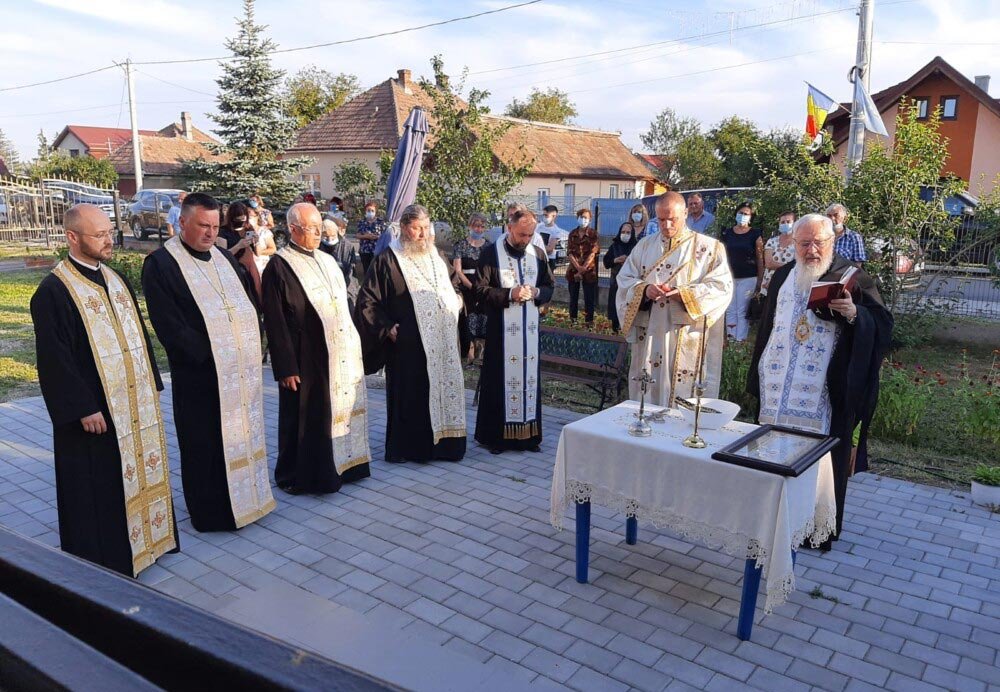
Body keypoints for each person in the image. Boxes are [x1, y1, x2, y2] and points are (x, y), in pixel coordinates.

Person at [31, 204, 178, 577]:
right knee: (97, 485)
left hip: (132, 402)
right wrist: (83, 407)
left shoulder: (115, 278)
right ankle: (105, 560)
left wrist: (151, 382)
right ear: (72, 237)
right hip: (93, 411)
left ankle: (148, 541)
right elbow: (54, 360)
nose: (109, 240)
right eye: (99, 235)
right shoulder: (53, 291)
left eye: (109, 231)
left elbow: (138, 335)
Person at [748, 214, 892, 549]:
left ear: (832, 241)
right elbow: (767, 326)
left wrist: (854, 314)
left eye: (818, 242)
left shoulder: (852, 277)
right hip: (777, 391)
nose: (811, 250)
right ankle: (772, 519)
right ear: (794, 244)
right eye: (804, 243)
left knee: (820, 461)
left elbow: (883, 324)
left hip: (825, 395)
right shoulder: (783, 274)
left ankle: (815, 529)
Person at [141, 193, 275, 532]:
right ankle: (212, 513)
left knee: (240, 436)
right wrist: (212, 355)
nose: (210, 233)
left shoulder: (224, 258)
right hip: (199, 375)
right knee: (204, 443)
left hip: (238, 374)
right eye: (203, 225)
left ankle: (249, 499)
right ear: (182, 222)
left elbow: (247, 304)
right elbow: (169, 324)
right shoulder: (161, 264)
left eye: (215, 226)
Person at [261, 204, 370, 495]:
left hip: (337, 353)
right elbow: (274, 320)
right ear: (293, 229)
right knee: (304, 416)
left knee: (335, 411)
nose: (318, 234)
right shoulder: (279, 266)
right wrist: (285, 367)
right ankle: (301, 475)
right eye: (312, 229)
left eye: (320, 228)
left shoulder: (327, 260)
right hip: (303, 357)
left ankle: (345, 465)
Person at [354, 204, 466, 462]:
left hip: (443, 343)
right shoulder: (388, 259)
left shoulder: (437, 255)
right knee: (412, 396)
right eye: (417, 228)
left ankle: (446, 446)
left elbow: (454, 283)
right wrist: (386, 328)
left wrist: (457, 299)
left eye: (426, 228)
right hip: (408, 344)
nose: (423, 234)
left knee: (442, 390)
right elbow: (367, 301)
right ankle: (412, 449)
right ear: (404, 228)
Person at [615, 191, 733, 406]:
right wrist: (644, 289)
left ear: (685, 213)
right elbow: (625, 279)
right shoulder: (644, 245)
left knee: (684, 390)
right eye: (661, 219)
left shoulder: (709, 248)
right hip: (650, 329)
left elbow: (721, 287)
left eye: (672, 219)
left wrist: (684, 294)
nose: (667, 225)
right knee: (648, 384)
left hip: (686, 331)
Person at [474, 208, 554, 454]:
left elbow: (549, 286)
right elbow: (480, 290)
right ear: (509, 228)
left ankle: (529, 437)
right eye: (521, 234)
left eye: (530, 235)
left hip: (529, 335)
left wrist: (537, 292)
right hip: (501, 333)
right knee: (499, 382)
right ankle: (496, 439)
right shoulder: (490, 254)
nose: (525, 240)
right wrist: (510, 294)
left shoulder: (537, 254)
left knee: (529, 382)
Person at [720, 202, 764, 342]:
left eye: (746, 214)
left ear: (751, 217)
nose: (743, 216)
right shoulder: (727, 233)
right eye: (741, 213)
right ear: (736, 214)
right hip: (729, 277)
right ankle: (731, 339)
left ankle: (741, 341)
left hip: (749, 277)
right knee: (730, 309)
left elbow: (760, 258)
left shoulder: (755, 234)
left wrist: (760, 280)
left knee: (742, 310)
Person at [453, 212, 489, 365]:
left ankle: (482, 355)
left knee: (484, 319)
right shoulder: (460, 245)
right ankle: (469, 354)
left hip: (483, 288)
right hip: (467, 288)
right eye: (476, 226)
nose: (479, 229)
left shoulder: (488, 246)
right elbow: (458, 270)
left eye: (482, 226)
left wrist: (481, 288)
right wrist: (470, 286)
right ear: (470, 226)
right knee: (468, 320)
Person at [603, 214, 641, 332]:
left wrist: (628, 261)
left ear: (632, 233)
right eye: (623, 232)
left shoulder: (637, 246)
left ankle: (628, 329)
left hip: (631, 283)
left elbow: (641, 263)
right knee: (615, 306)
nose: (625, 234)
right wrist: (616, 260)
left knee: (629, 306)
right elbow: (606, 262)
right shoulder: (614, 246)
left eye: (628, 232)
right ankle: (615, 329)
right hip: (616, 281)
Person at [565, 207, 600, 324]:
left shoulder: (593, 234)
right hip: (573, 270)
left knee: (589, 298)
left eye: (586, 218)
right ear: (577, 218)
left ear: (590, 220)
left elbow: (593, 252)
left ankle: (589, 322)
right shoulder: (572, 234)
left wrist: (583, 268)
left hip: (589, 270)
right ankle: (573, 320)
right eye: (581, 217)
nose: (583, 219)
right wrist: (578, 268)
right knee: (573, 297)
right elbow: (569, 252)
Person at [761, 211, 797, 296]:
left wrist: (777, 265)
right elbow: (769, 263)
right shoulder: (772, 241)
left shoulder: (799, 243)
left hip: (789, 285)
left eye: (788, 222)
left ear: (795, 223)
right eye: (782, 222)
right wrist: (789, 266)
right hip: (769, 285)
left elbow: (798, 266)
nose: (785, 224)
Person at [356, 201, 388, 275]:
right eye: (368, 210)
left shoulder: (380, 222)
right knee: (367, 271)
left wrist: (376, 237)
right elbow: (357, 235)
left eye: (372, 210)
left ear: (375, 211)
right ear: (365, 211)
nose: (370, 212)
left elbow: (385, 235)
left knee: (376, 272)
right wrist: (365, 236)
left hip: (377, 250)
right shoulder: (361, 222)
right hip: (364, 251)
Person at [536, 204, 567, 271]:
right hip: (537, 258)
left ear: (554, 216)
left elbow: (550, 249)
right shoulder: (539, 226)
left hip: (548, 260)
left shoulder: (556, 231)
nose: (544, 217)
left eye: (546, 215)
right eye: (543, 215)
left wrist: (536, 246)